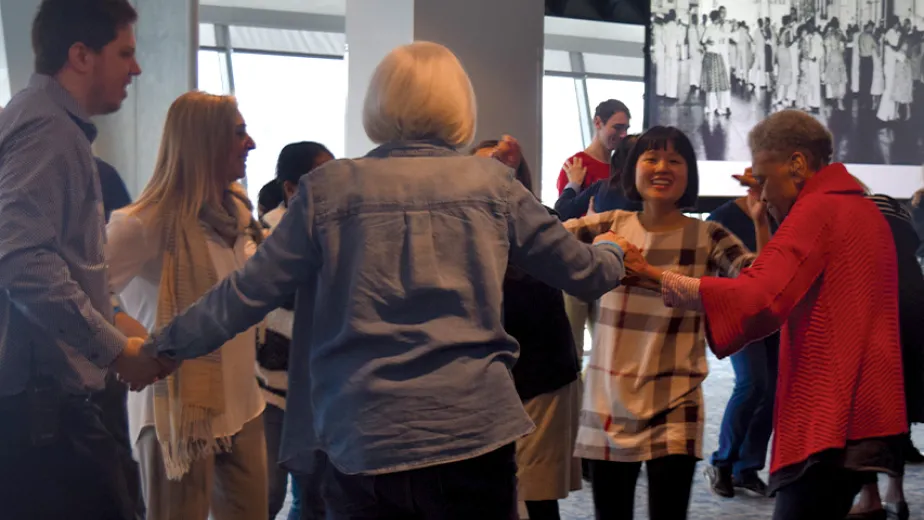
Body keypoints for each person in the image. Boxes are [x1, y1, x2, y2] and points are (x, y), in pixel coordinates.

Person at [127, 41, 632, 520]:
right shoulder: (494, 185)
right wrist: (613, 247)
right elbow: (585, 274)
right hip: (472, 433)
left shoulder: (328, 189)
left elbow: (246, 293)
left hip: (362, 437)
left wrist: (163, 347)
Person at [631, 110, 907, 520]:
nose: (760, 191)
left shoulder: (818, 209)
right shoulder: (862, 209)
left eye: (763, 178)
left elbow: (761, 295)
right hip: (868, 406)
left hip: (832, 411)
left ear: (796, 164)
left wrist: (656, 278)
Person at [0, 1, 157, 519]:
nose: (135, 68)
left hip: (46, 415)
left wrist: (114, 318)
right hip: (45, 421)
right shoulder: (49, 130)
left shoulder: (41, 121)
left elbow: (61, 258)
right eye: (126, 52)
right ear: (81, 55)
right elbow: (22, 260)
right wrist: (113, 349)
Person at [564, 126, 763, 520]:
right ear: (632, 169)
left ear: (689, 173)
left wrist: (761, 218)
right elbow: (540, 242)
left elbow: (760, 282)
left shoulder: (707, 234)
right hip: (610, 395)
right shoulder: (610, 225)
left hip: (677, 396)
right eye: (651, 158)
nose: (662, 167)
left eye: (675, 160)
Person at [106, 91, 267, 520]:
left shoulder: (238, 218)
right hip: (176, 419)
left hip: (244, 407)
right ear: (203, 141)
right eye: (238, 133)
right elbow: (84, 293)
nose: (250, 144)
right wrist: (131, 337)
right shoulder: (143, 223)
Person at [474, 139, 582, 520]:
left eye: (502, 168)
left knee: (536, 496)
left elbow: (570, 278)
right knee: (487, 494)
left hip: (542, 377)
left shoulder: (541, 222)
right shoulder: (456, 231)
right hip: (480, 384)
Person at [260, 141, 334, 520]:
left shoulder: (337, 235)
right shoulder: (264, 237)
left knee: (314, 496)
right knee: (268, 495)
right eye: (321, 175)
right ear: (291, 188)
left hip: (319, 388)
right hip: (271, 388)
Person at [846, 193, 924, 520]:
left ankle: (870, 497)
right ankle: (896, 494)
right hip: (910, 348)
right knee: (898, 415)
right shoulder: (911, 268)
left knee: (862, 419)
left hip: (869, 349)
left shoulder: (863, 260)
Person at [703, 195, 778, 498]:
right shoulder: (721, 217)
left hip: (773, 311)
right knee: (752, 384)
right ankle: (722, 462)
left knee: (772, 390)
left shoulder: (782, 212)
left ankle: (746, 468)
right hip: (738, 313)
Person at [554, 134, 642, 220]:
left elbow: (561, 211)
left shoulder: (604, 188)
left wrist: (574, 184)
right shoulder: (648, 194)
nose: (623, 133)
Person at [556, 99, 631, 197]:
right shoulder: (575, 166)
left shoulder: (622, 166)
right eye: (617, 127)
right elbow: (563, 210)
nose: (623, 134)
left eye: (626, 128)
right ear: (598, 123)